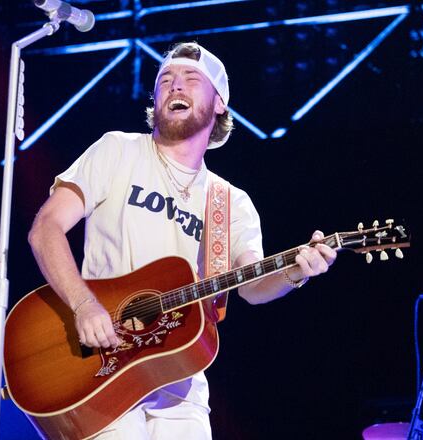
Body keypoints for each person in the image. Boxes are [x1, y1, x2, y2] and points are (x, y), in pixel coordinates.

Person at [28, 42, 337, 440]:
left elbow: (252, 286)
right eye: (165, 80)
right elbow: (46, 228)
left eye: (191, 79)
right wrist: (83, 303)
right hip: (100, 369)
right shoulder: (118, 151)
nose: (175, 86)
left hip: (181, 387)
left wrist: (295, 272)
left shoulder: (230, 202)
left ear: (219, 103)